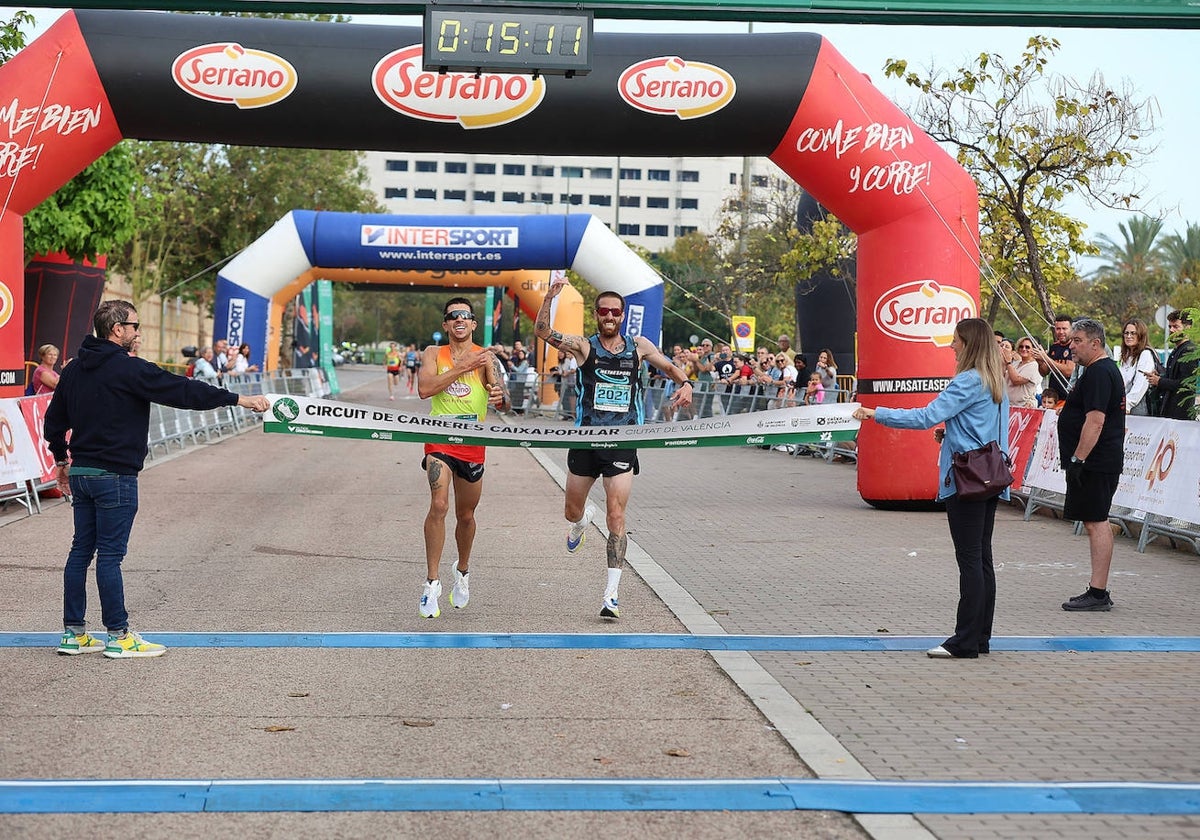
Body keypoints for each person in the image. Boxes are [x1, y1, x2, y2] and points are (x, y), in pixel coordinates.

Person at [43, 301, 271, 659]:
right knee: (110, 557)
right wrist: (240, 399)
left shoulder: (73, 371)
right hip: (114, 475)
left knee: (80, 552)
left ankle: (74, 634)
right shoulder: (127, 369)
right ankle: (118, 636)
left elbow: (53, 422)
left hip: (83, 472)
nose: (138, 332)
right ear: (117, 329)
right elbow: (184, 391)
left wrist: (60, 459)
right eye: (134, 325)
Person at [535, 279, 693, 619]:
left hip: (623, 440)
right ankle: (580, 522)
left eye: (615, 311)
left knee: (616, 515)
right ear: (596, 314)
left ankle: (611, 595)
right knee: (571, 510)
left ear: (622, 316)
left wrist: (687, 384)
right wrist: (550, 296)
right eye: (603, 311)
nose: (609, 316)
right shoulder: (583, 346)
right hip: (585, 440)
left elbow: (668, 366)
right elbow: (543, 331)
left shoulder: (639, 346)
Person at [853, 318, 1010, 659]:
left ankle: (964, 641)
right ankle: (981, 636)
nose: (951, 346)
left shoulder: (967, 381)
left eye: (955, 340)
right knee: (982, 559)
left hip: (965, 479)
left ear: (969, 344)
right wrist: (950, 433)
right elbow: (991, 432)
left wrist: (874, 413)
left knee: (969, 560)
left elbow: (925, 416)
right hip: (991, 476)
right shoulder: (996, 381)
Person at [417, 298, 510, 619]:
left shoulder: (486, 357)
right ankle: (432, 583)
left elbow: (504, 400)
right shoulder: (433, 354)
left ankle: (463, 571)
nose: (459, 319)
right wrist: (460, 368)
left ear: (473, 324)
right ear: (446, 325)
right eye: (453, 316)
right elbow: (425, 389)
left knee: (466, 515)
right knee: (439, 505)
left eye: (465, 316)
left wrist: (500, 397)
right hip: (439, 440)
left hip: (473, 444)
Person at [1057, 318, 1125, 611]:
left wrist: (1078, 459)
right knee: (1093, 520)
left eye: (1077, 341)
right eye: (1071, 340)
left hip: (1095, 462)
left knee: (1097, 522)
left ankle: (1098, 592)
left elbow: (1095, 421)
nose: (1071, 346)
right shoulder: (1098, 371)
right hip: (1096, 460)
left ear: (1095, 343)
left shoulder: (1099, 372)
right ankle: (1097, 590)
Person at [1145, 310, 1197, 421]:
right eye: (1169, 326)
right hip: (1169, 412)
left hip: (1181, 415)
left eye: (1176, 326)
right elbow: (1173, 377)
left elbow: (1186, 384)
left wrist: (1159, 381)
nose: (1171, 330)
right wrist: (1159, 376)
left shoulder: (1189, 350)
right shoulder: (1177, 350)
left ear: (1187, 327)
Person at [1114, 319, 1157, 416]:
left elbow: (1140, 385)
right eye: (1126, 333)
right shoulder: (1126, 356)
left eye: (1133, 333)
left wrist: (1127, 405)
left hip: (1137, 409)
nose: (1129, 336)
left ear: (1140, 335)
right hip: (1121, 406)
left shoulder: (1145, 354)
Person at [1035, 313, 1075, 394]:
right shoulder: (1054, 346)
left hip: (1069, 394)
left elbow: (1069, 371)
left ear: (1071, 329)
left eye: (1064, 329)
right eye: (1058, 329)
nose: (1061, 332)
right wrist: (1040, 361)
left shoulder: (1074, 346)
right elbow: (1044, 372)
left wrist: (1046, 358)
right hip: (1054, 396)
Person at [1002, 336, 1040, 407]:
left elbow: (1016, 380)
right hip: (1008, 404)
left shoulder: (1034, 365)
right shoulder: (1016, 363)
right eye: (1021, 347)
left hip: (1023, 406)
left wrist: (1008, 363)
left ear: (1033, 349)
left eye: (1027, 347)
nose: (1024, 349)